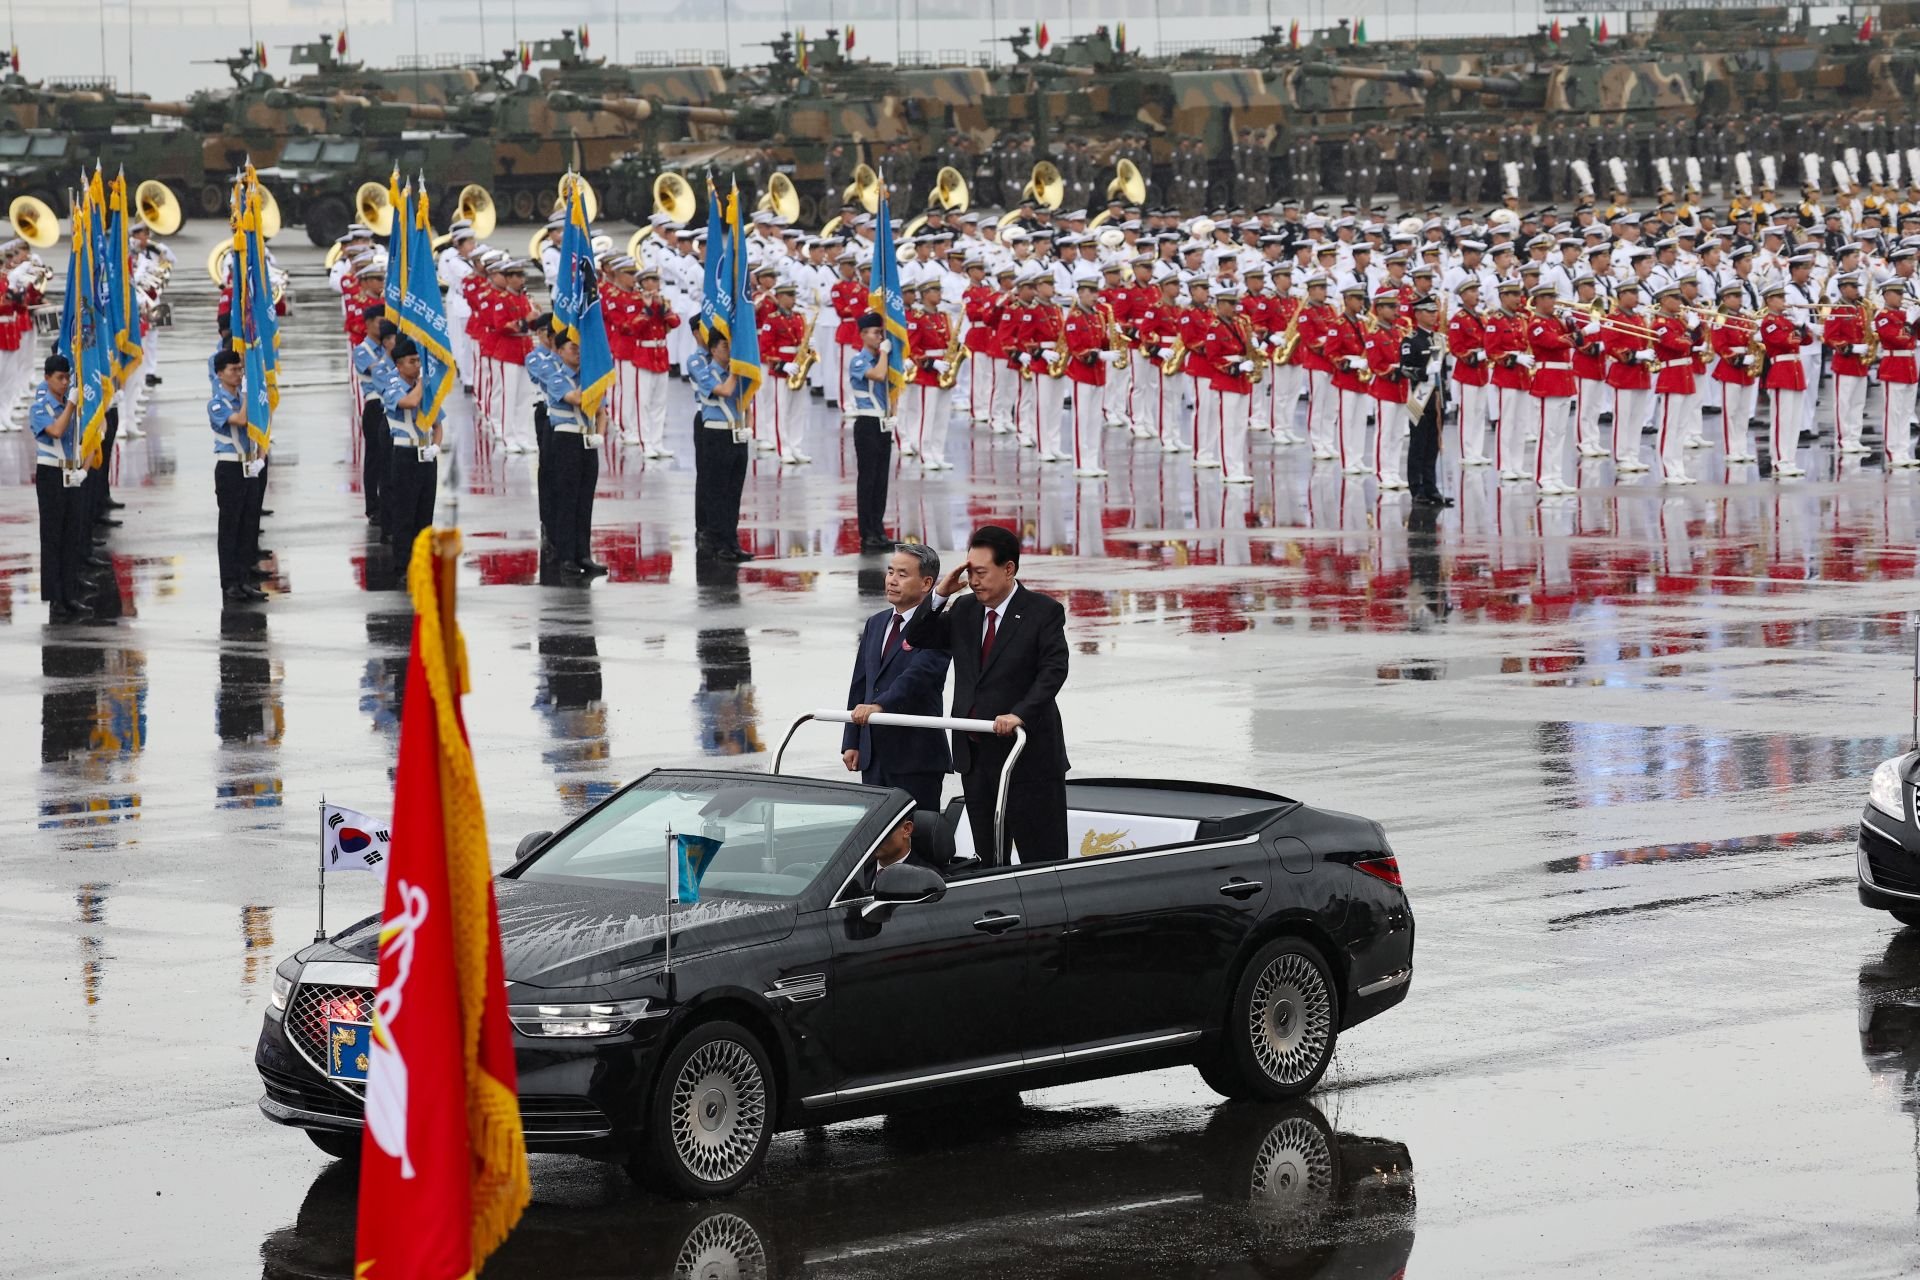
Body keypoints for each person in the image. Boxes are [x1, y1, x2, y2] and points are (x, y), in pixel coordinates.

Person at [904, 525, 1070, 865]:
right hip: (976, 759)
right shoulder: (965, 609)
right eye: (969, 571)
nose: (974, 580)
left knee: (1043, 860)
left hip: (1026, 759)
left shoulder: (1043, 611)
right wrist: (940, 595)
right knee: (990, 859)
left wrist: (1020, 714)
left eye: (981, 572)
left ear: (1008, 569)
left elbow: (1053, 671)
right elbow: (918, 636)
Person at [842, 543, 954, 812]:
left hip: (915, 758)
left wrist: (880, 707)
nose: (891, 580)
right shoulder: (876, 623)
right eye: (890, 571)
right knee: (874, 843)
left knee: (916, 842)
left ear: (927, 583)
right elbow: (861, 684)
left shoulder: (939, 627)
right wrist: (852, 741)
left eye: (902, 574)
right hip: (872, 756)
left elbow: (918, 677)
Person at [533, 329, 609, 578]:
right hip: (565, 439)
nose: (577, 352)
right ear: (561, 350)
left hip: (588, 440)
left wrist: (600, 433)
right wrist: (596, 384)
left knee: (584, 499)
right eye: (571, 348)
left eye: (579, 348)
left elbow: (602, 412)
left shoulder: (588, 377)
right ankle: (565, 555)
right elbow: (577, 398)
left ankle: (582, 553)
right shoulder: (555, 376)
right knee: (566, 498)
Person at [687, 327, 755, 561]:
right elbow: (725, 391)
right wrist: (737, 369)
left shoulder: (735, 373)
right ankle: (717, 542)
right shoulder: (706, 373)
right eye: (725, 347)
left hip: (737, 435)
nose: (729, 351)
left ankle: (731, 540)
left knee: (734, 492)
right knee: (717, 492)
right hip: (716, 435)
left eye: (730, 346)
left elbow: (746, 403)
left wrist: (748, 427)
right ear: (714, 350)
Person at [32, 353, 89, 622]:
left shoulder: (71, 405)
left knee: (71, 536)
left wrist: (83, 471)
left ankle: (70, 592)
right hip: (50, 474)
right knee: (53, 537)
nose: (65, 382)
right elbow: (55, 431)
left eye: (67, 377)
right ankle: (55, 597)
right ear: (47, 378)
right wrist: (70, 407)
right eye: (60, 378)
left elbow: (85, 441)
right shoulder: (41, 407)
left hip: (70, 472)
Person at [209, 349, 266, 603]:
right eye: (233, 370)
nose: (238, 374)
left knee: (249, 526)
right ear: (219, 373)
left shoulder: (246, 397)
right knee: (230, 527)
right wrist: (247, 393)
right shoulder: (217, 402)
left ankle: (244, 579)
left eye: (241, 369)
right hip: (230, 468)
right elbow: (242, 420)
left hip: (250, 467)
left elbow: (263, 425)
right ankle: (229, 582)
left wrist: (261, 459)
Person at [847, 313, 894, 551]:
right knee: (867, 480)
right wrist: (885, 353)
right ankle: (867, 534)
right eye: (875, 333)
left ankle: (878, 529)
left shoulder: (882, 358)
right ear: (864, 335)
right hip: (866, 424)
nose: (879, 337)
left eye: (880, 332)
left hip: (883, 424)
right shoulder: (858, 360)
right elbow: (877, 375)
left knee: (881, 480)